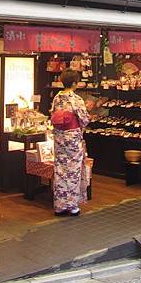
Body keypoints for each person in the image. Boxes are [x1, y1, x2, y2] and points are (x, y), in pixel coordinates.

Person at [50, 68, 89, 216]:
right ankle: (72, 205)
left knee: (60, 169)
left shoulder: (57, 98)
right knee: (73, 170)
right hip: (72, 137)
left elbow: (53, 115)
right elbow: (84, 119)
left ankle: (59, 205)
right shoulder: (76, 99)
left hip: (59, 137)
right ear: (74, 83)